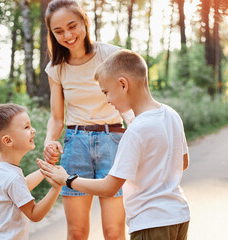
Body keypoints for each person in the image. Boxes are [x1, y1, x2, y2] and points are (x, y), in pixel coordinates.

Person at [39, 50, 191, 240]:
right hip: (179, 216)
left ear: (123, 84)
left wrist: (67, 179)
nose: (107, 100)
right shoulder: (171, 114)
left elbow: (110, 187)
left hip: (150, 222)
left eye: (106, 92)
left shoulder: (135, 130)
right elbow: (182, 163)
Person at [42, 0, 135, 239]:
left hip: (113, 141)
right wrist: (48, 142)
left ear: (84, 21)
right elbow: (56, 117)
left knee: (114, 232)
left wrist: (140, 132)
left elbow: (129, 102)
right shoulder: (57, 68)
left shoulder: (111, 54)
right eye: (59, 31)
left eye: (72, 26)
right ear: (52, 34)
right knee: (77, 232)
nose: (67, 35)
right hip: (76, 144)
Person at [0, 103, 61, 239]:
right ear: (8, 140)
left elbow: (23, 185)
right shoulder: (12, 177)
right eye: (26, 127)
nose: (33, 130)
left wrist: (47, 167)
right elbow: (34, 214)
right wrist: (56, 188)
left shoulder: (0, 167)